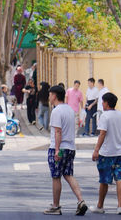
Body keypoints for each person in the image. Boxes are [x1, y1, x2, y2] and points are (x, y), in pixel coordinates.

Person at [43, 85, 88, 216]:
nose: (49, 97)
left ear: (55, 96)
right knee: (68, 174)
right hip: (70, 148)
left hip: (60, 148)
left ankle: (56, 206)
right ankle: (81, 200)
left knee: (56, 176)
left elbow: (58, 131)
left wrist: (56, 150)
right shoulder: (69, 109)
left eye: (50, 95)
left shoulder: (57, 111)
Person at [91, 92, 121, 214]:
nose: (102, 103)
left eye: (103, 101)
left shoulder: (105, 117)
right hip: (120, 152)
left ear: (106, 103)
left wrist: (96, 150)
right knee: (120, 178)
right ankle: (120, 206)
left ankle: (100, 206)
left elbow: (102, 134)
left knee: (104, 180)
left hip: (106, 153)